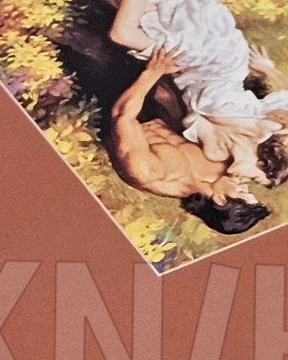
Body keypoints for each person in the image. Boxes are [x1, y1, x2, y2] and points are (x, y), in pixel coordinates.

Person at [72, 0, 288, 189]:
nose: (244, 180)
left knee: (133, 7)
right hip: (216, 60)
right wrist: (266, 68)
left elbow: (190, 118)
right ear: (262, 163)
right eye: (254, 177)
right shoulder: (272, 128)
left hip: (189, 69)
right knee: (123, 33)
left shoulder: (216, 152)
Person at [105, 46, 270, 235]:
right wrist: (171, 102)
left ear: (220, 200)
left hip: (112, 101)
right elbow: (190, 131)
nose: (244, 185)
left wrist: (154, 72)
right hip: (150, 99)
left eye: (242, 192)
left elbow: (120, 116)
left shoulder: (151, 174)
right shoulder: (223, 169)